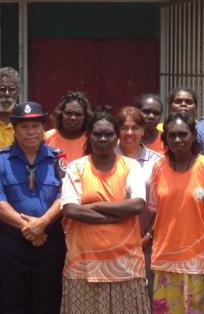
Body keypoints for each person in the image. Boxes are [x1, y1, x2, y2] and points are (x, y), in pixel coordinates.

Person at [60, 110, 151, 314]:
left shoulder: (131, 166)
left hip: (125, 265)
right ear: (89, 136)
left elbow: (137, 205)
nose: (103, 138)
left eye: (108, 134)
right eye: (97, 134)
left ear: (117, 136)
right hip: (83, 265)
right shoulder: (76, 167)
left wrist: (91, 206)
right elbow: (70, 209)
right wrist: (119, 213)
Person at [0, 102, 65, 314]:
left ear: (43, 129)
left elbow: (65, 195)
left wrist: (43, 223)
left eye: (36, 126)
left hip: (50, 243)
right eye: (24, 127)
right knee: (11, 301)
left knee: (47, 301)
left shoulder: (57, 159)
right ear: (15, 129)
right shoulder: (0, 160)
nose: (31, 132)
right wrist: (29, 228)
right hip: (12, 244)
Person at [148, 113, 204, 314]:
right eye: (172, 135)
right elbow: (154, 211)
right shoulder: (158, 168)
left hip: (200, 258)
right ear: (165, 138)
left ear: (193, 136)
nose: (177, 139)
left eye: (183, 134)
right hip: (165, 256)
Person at [113, 106, 162, 296]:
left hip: (146, 241)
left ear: (143, 130)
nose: (130, 133)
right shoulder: (106, 157)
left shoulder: (157, 162)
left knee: (146, 294)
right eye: (124, 128)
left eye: (135, 127)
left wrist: (149, 235)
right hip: (112, 240)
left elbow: (163, 204)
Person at [45, 91, 93, 162]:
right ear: (61, 114)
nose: (73, 117)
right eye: (68, 113)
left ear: (85, 117)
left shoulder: (91, 139)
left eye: (78, 114)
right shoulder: (47, 137)